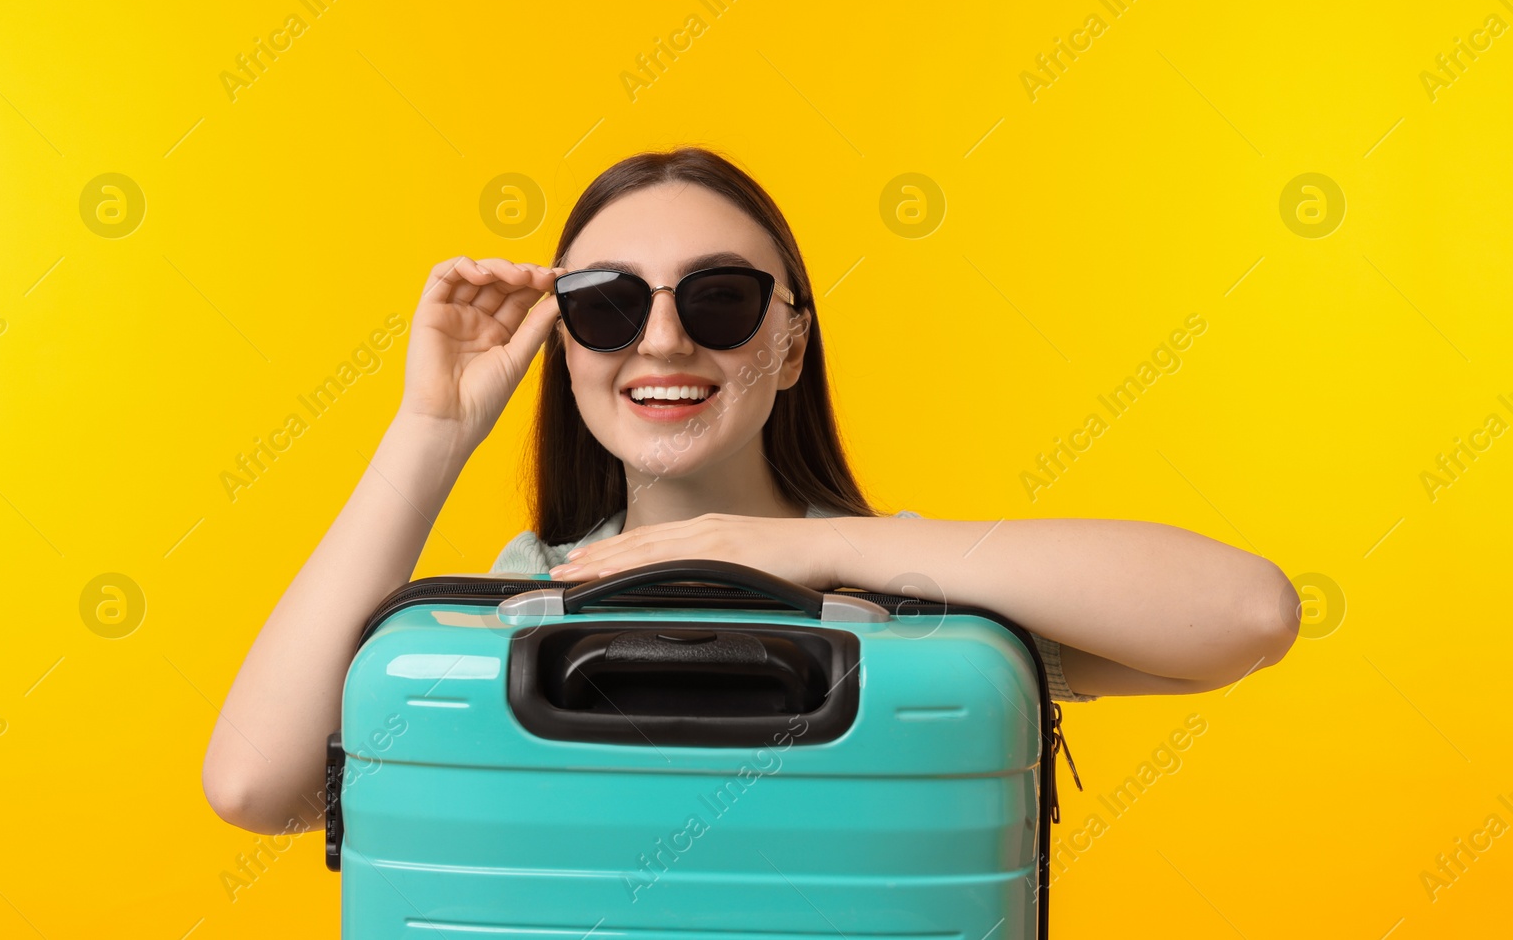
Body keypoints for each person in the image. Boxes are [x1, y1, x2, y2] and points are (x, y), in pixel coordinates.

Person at [201, 146, 1301, 836]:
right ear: (566, 345)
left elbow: (1247, 614)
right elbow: (258, 786)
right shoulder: (515, 606)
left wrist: (812, 551)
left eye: (721, 298)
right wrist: (430, 430)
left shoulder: (907, 610)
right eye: (607, 303)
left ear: (788, 346)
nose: (664, 336)